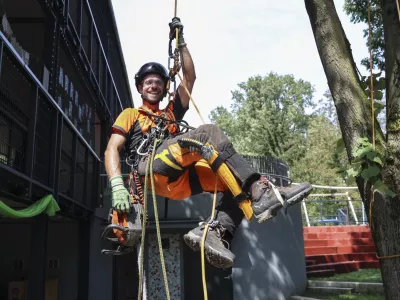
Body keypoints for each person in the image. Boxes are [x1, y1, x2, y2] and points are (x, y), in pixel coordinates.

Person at [104, 17, 312, 269]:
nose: (154, 84)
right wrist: (117, 184)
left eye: (158, 81)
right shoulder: (131, 114)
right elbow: (112, 148)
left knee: (231, 182)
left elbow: (190, 77)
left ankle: (216, 232)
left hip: (177, 180)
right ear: (140, 87)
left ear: (164, 87)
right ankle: (261, 189)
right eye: (148, 81)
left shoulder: (170, 114)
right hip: (150, 167)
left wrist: (182, 43)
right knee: (207, 133)